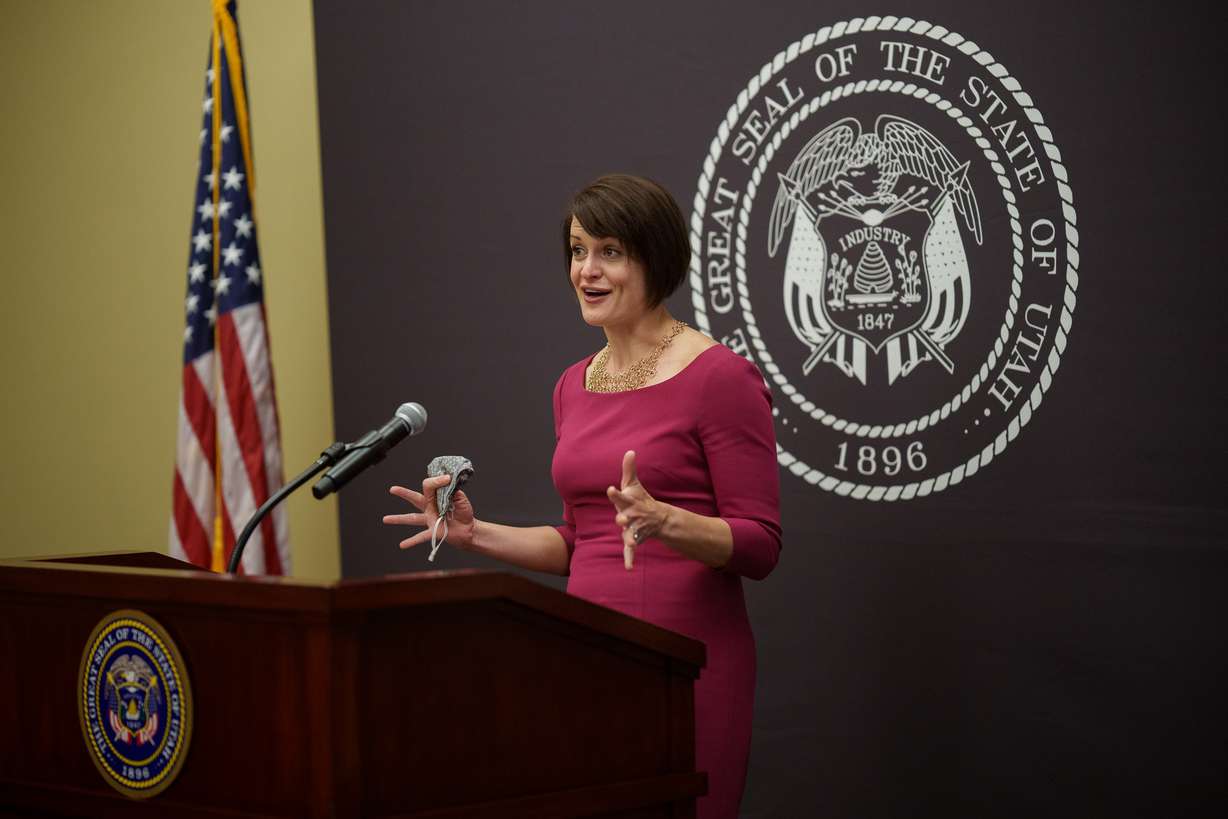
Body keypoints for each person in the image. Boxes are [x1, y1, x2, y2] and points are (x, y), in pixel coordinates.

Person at [383, 173, 782, 819]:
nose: (587, 270)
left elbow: (761, 545)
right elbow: (581, 540)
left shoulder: (719, 376)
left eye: (610, 251)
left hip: (688, 667)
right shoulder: (573, 385)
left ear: (655, 257)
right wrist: (473, 532)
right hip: (589, 662)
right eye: (577, 250)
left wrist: (666, 521)